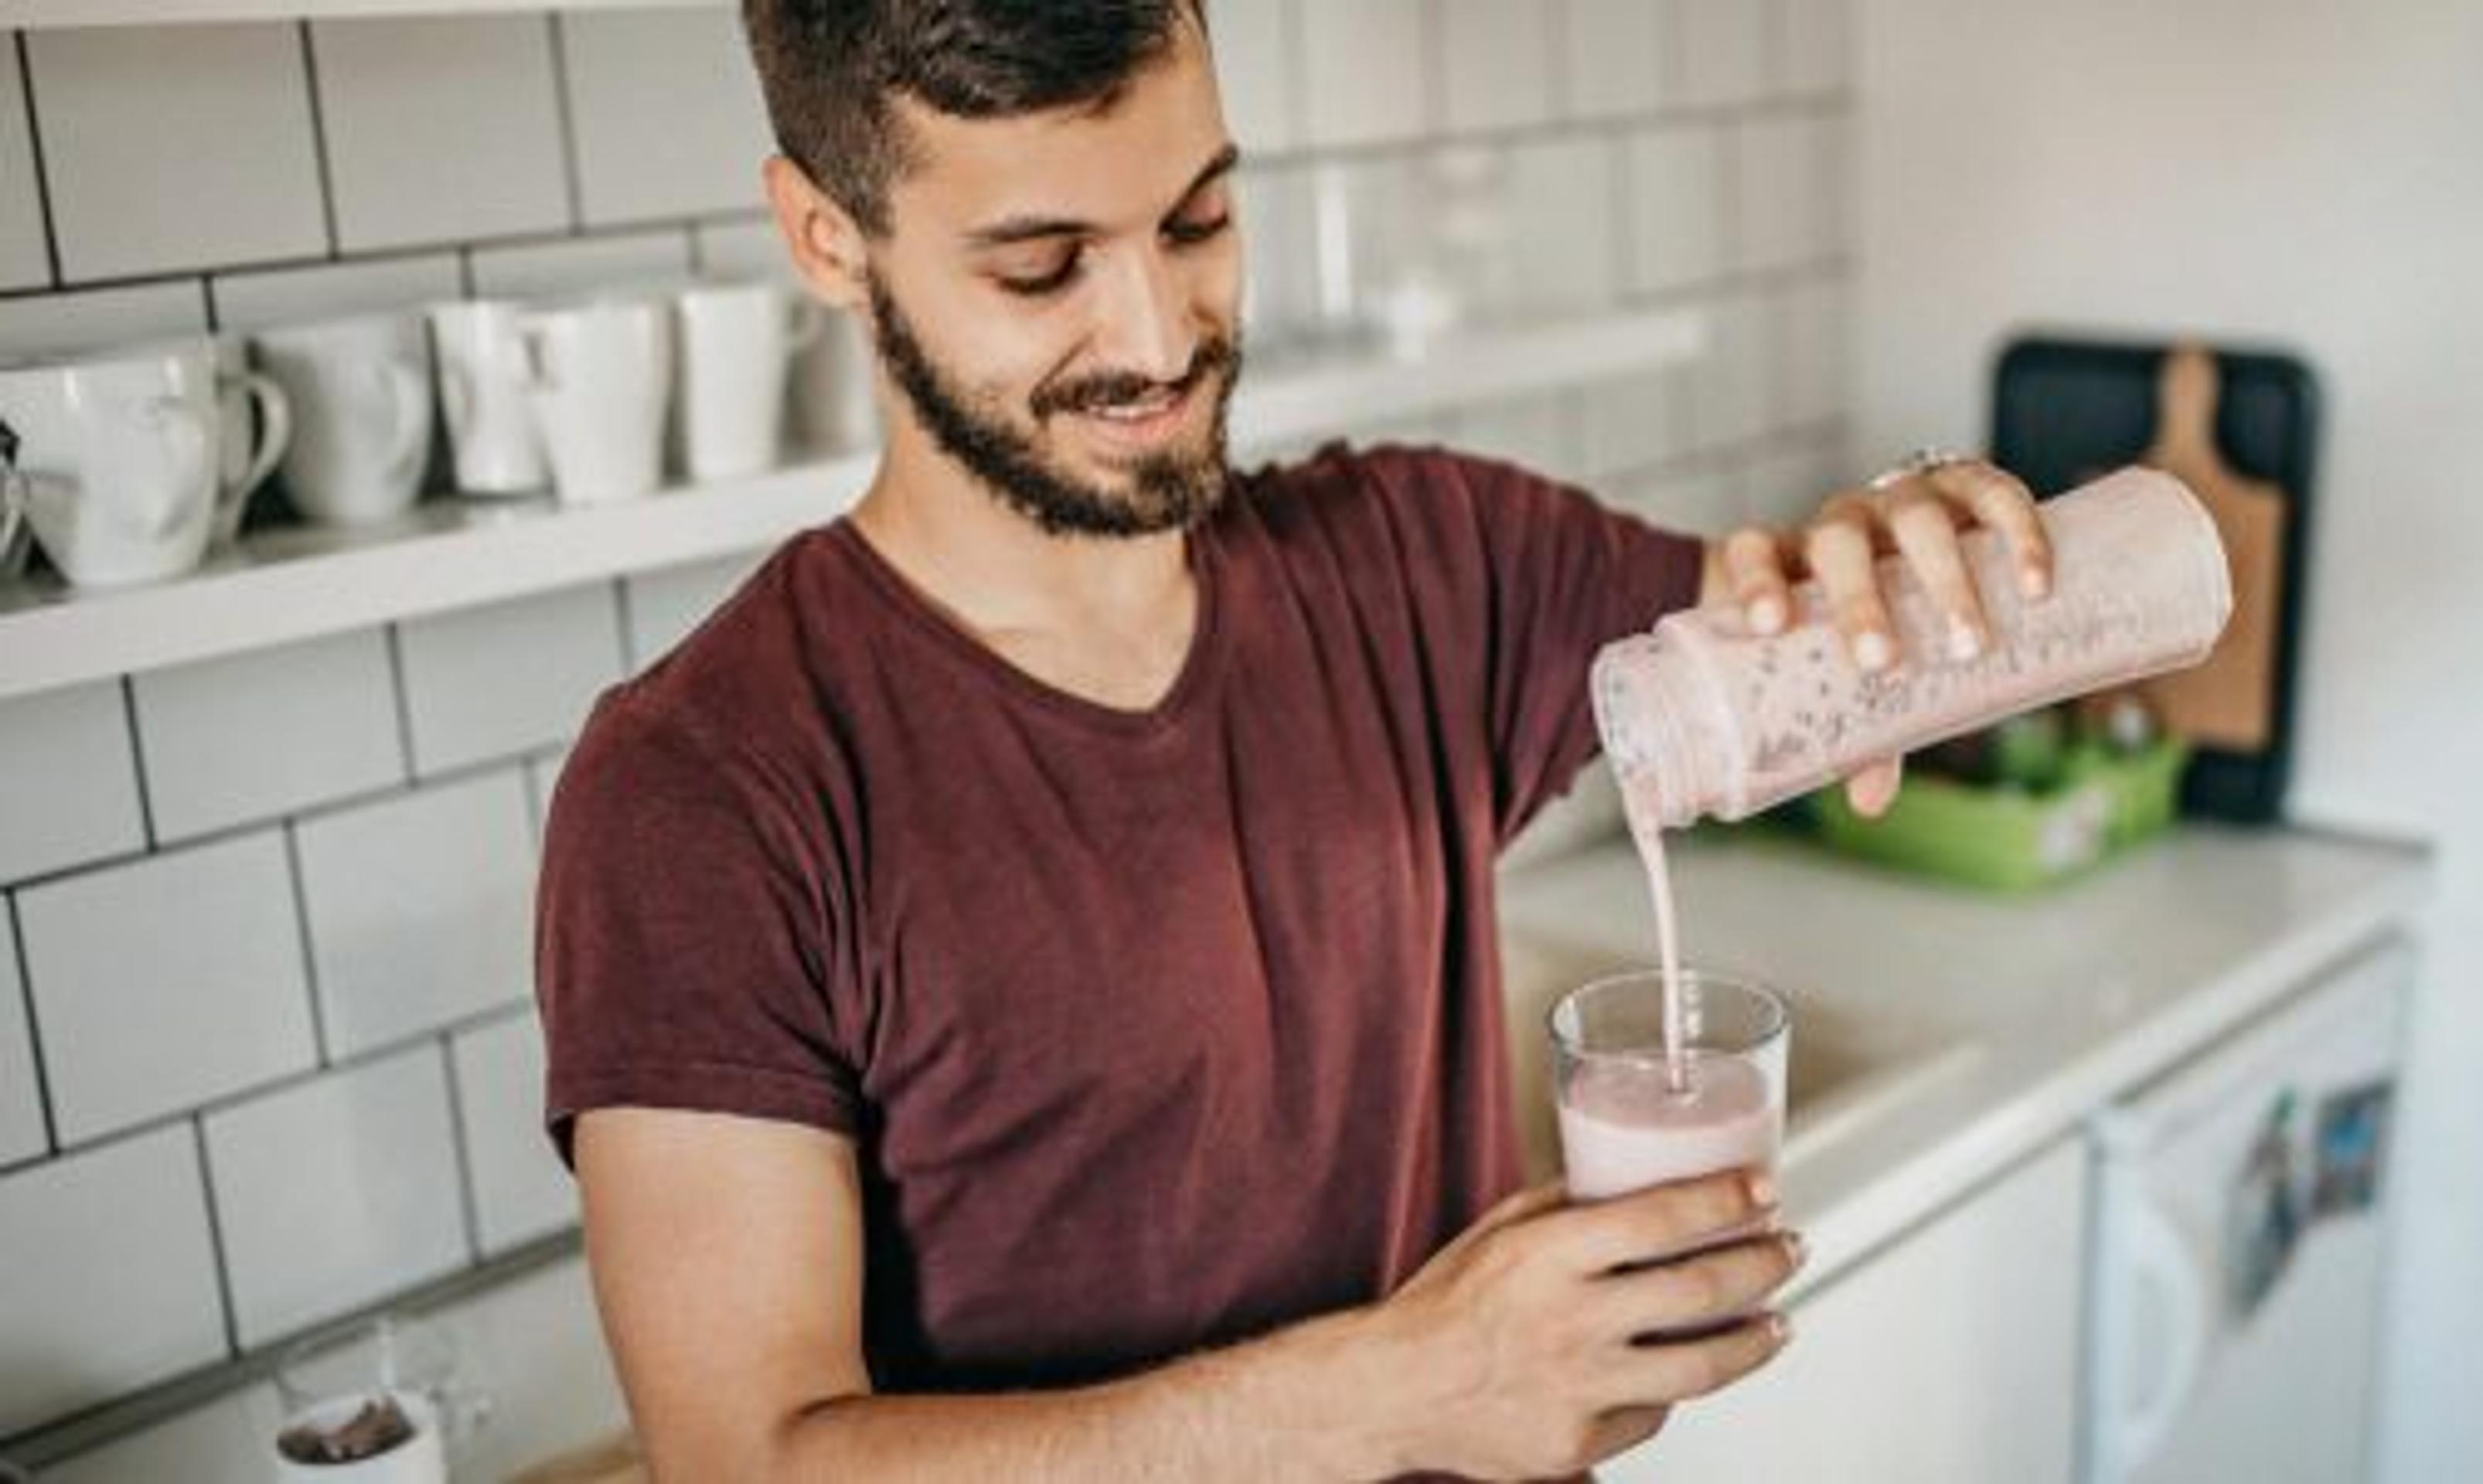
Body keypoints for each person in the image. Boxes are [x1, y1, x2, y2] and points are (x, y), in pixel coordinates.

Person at [534, 2, 2056, 1478]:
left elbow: (1799, 630)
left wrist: (1898, 539)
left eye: (1196, 223)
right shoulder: (702, 789)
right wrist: (1394, 1398)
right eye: (1043, 267)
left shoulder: (1433, 561)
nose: (1156, 336)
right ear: (826, 239)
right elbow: (750, 1459)